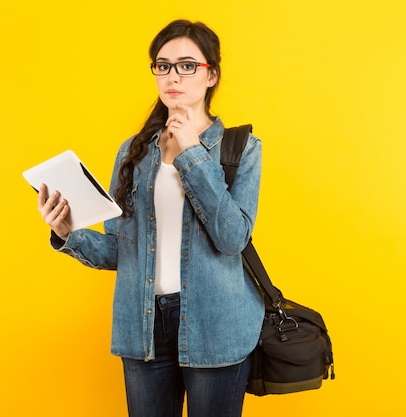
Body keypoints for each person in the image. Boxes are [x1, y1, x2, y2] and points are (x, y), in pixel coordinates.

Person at [37, 19, 264, 417]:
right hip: (142, 324)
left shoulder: (239, 147)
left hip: (217, 325)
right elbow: (120, 250)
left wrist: (191, 153)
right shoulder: (134, 152)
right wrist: (67, 231)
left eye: (187, 65)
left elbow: (233, 238)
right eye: (163, 65)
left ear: (211, 75)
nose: (173, 76)